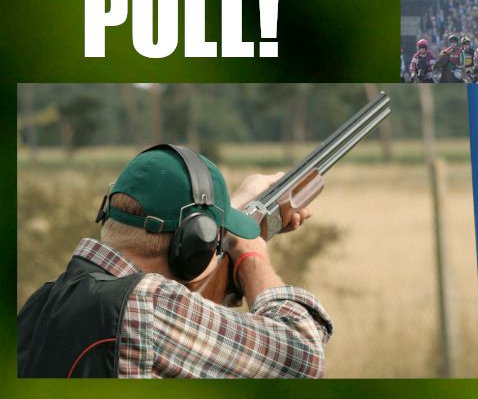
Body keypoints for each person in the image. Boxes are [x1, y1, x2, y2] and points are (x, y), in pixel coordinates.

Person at [17, 146, 328, 378]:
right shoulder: (148, 305)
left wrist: (224, 215)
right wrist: (251, 255)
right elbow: (304, 356)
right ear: (193, 246)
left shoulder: (42, 303)